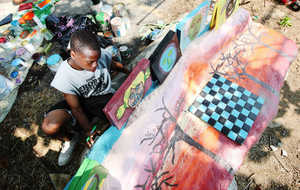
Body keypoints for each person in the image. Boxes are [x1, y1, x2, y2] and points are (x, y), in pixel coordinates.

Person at [42, 29, 130, 166]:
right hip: (78, 104)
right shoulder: (64, 76)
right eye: (90, 62)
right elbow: (76, 108)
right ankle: (70, 139)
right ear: (73, 54)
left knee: (125, 120)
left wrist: (131, 72)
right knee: (48, 126)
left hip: (102, 100)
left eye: (97, 60)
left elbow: (114, 65)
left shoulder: (98, 55)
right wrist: (89, 131)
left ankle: (97, 121)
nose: (95, 65)